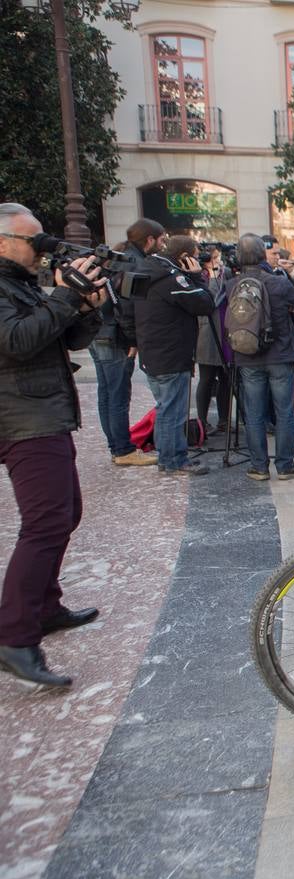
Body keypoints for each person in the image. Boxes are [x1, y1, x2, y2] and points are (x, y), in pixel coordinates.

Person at [0, 202, 107, 687]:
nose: (42, 249)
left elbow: (61, 339)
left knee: (66, 514)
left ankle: (44, 608)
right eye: (33, 240)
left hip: (44, 413)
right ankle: (15, 638)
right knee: (44, 524)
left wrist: (86, 308)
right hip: (22, 418)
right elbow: (18, 341)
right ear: (3, 242)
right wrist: (65, 298)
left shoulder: (20, 283)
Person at [124, 234, 217, 476]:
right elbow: (205, 304)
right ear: (184, 258)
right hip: (170, 354)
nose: (199, 260)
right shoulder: (172, 279)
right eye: (195, 256)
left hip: (155, 352)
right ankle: (174, 459)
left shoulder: (149, 271)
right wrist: (197, 276)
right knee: (172, 410)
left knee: (166, 407)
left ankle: (169, 457)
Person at [228, 233, 294, 481]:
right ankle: (285, 465)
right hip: (280, 354)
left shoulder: (232, 285)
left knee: (254, 414)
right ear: (263, 255)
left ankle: (259, 466)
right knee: (283, 411)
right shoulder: (278, 283)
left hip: (247, 355)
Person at [89, 232, 156, 467]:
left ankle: (116, 445)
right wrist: (134, 341)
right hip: (113, 336)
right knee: (117, 394)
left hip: (96, 335)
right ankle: (123, 449)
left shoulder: (102, 272)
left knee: (106, 393)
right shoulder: (125, 270)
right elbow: (126, 310)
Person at [195, 246, 231, 433]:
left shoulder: (227, 274)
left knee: (226, 378)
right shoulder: (199, 276)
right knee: (207, 378)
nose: (219, 261)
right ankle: (202, 420)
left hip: (225, 332)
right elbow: (212, 298)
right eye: (215, 258)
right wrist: (212, 274)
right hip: (207, 333)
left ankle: (224, 419)